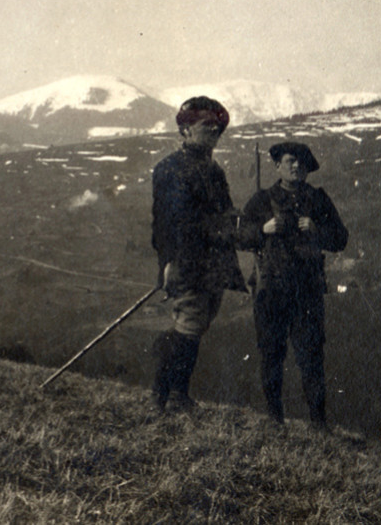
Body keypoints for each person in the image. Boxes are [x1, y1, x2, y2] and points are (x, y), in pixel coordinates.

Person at [237, 142, 348, 430]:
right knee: (271, 354)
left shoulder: (318, 200)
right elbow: (240, 235)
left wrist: (317, 231)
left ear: (308, 168)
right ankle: (275, 420)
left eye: (301, 163)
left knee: (311, 356)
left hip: (307, 292)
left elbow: (340, 238)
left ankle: (318, 424)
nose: (296, 166)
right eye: (289, 161)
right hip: (270, 289)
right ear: (278, 166)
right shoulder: (262, 200)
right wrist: (263, 230)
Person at [149, 96, 246, 413]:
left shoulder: (214, 170)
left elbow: (222, 211)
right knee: (189, 326)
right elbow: (169, 225)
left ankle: (162, 394)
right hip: (186, 261)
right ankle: (175, 396)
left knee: (194, 325)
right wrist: (169, 264)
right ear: (185, 130)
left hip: (213, 264)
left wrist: (235, 220)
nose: (215, 131)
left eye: (218, 126)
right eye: (207, 125)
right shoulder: (170, 168)